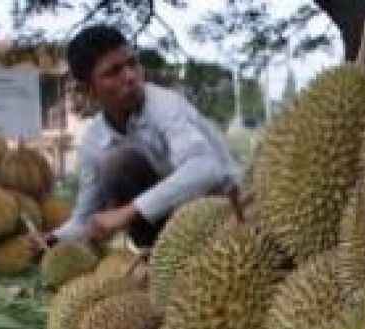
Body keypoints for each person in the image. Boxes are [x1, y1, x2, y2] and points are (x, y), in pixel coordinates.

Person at [39, 24, 242, 250]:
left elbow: (205, 168)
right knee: (114, 164)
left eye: (132, 63)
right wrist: (53, 240)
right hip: (173, 226)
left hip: (228, 208)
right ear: (88, 90)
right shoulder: (93, 141)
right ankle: (154, 254)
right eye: (113, 72)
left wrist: (128, 212)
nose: (131, 77)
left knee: (117, 162)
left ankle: (174, 254)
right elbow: (87, 217)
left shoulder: (165, 105)